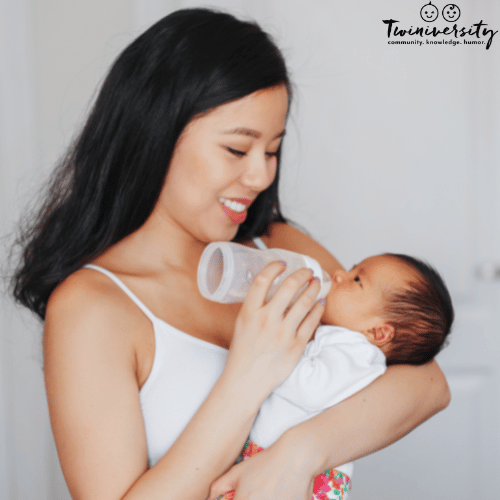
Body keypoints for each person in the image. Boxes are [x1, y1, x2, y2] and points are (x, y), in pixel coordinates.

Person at [10, 8, 450, 500]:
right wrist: (248, 375)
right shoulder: (93, 306)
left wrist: (298, 455)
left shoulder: (279, 244)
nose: (261, 177)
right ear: (156, 133)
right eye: (238, 151)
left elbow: (427, 382)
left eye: (273, 149)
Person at [211, 252, 454, 499]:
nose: (338, 275)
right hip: (269, 461)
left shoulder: (356, 354)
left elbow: (312, 389)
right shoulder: (343, 344)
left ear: (379, 332)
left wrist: (270, 353)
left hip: (313, 481)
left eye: (357, 280)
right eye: (351, 269)